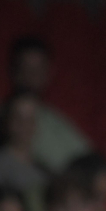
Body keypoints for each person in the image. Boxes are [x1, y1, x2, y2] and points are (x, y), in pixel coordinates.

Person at [8, 35, 91, 173]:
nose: (32, 76)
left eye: (38, 70)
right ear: (14, 72)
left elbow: (89, 159)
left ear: (48, 73)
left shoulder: (53, 118)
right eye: (26, 68)